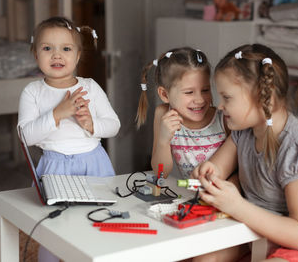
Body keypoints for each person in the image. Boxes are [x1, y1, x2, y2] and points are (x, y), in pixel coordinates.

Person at [192, 44, 298, 261]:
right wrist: (210, 172)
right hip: (261, 234)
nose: (220, 106)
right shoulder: (243, 133)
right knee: (205, 257)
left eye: (227, 98)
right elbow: (219, 168)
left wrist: (237, 205)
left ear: (264, 99)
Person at [18, 16, 120, 262]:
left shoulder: (90, 87)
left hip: (94, 163)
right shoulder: (33, 91)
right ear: (35, 55)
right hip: (55, 166)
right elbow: (25, 135)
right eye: (47, 48)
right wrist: (57, 113)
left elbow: (114, 125)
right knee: (55, 228)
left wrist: (91, 124)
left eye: (65, 48)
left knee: (99, 220)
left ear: (77, 56)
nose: (56, 55)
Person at [136, 47, 229, 179]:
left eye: (205, 90)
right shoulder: (163, 114)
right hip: (192, 195)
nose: (200, 99)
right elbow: (161, 173)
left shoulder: (223, 118)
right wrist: (163, 140)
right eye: (189, 92)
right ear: (164, 94)